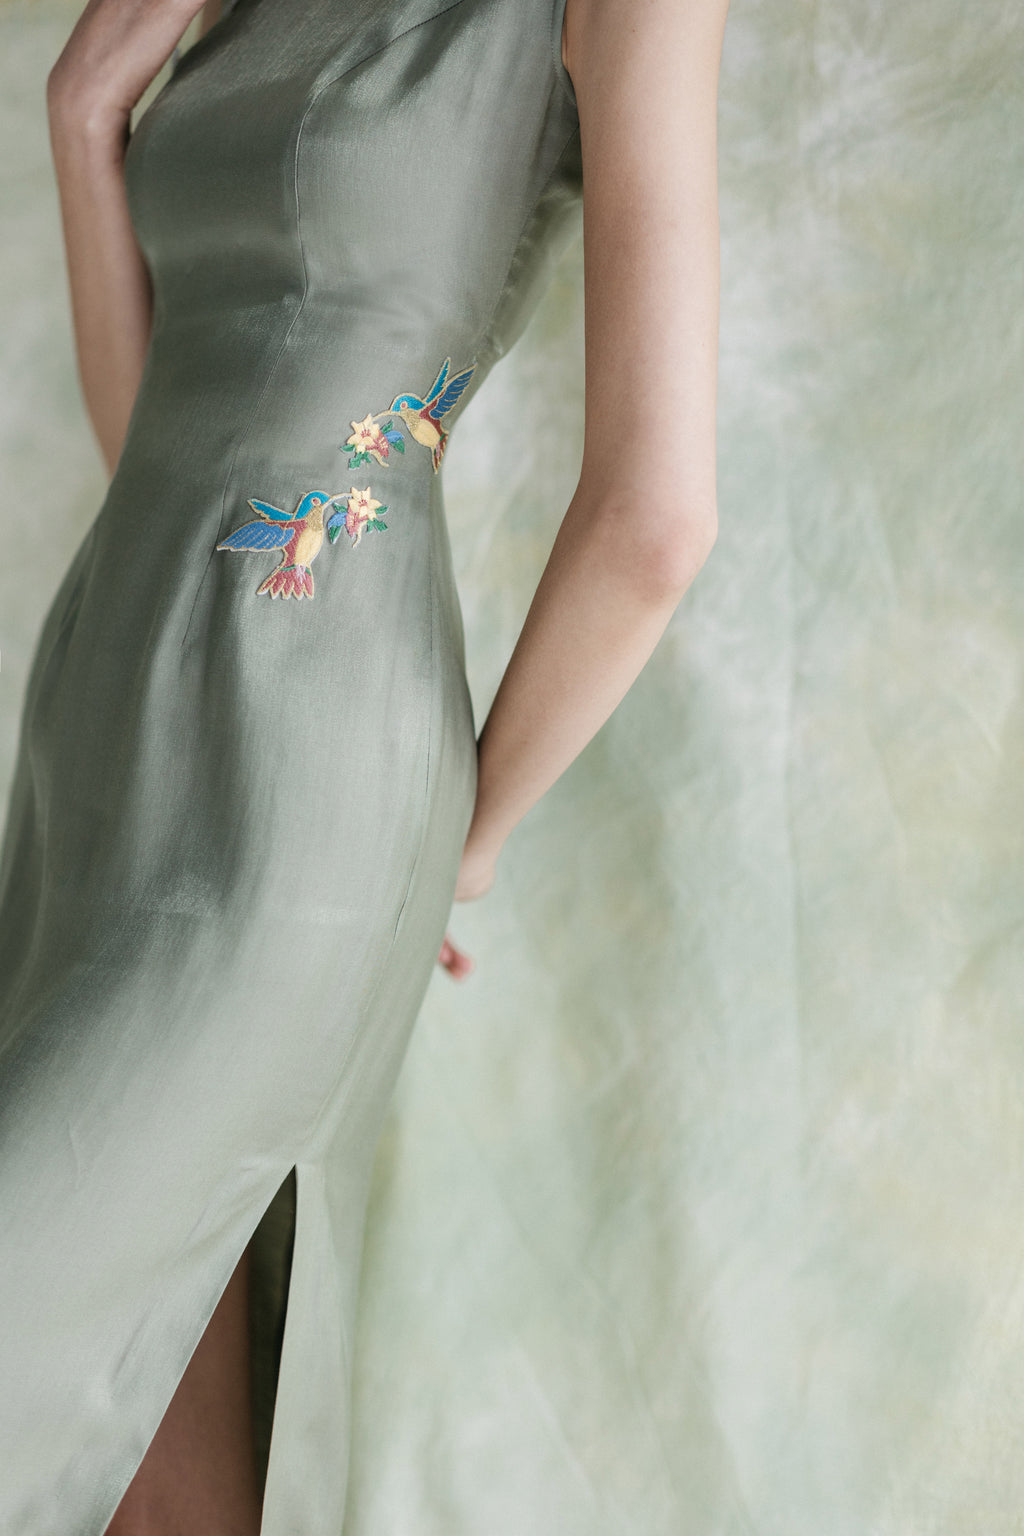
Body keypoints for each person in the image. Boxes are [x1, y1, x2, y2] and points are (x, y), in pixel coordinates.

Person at [0, 0, 728, 1529]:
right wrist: (82, 119)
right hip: (97, 734)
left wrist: (467, 834)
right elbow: (166, 439)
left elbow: (656, 520)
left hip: (299, 787)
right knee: (139, 1442)